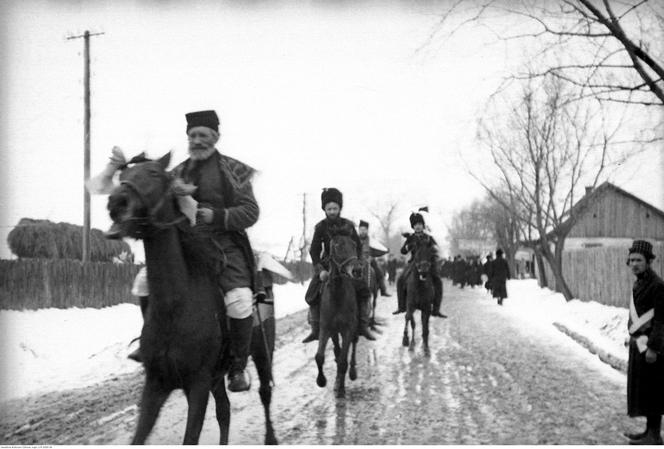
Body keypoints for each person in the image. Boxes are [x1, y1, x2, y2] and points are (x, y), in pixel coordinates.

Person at [105, 110, 260, 393]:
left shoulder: (234, 170)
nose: (197, 140)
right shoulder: (176, 173)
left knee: (239, 299)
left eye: (203, 135)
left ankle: (237, 366)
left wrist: (216, 216)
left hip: (226, 247)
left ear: (215, 138)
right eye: (192, 136)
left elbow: (251, 211)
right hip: (186, 247)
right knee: (143, 282)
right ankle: (152, 340)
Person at [301, 188, 377, 343]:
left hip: (348, 264)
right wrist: (320, 270)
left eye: (335, 208)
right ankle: (316, 328)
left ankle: (363, 325)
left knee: (363, 290)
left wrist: (359, 262)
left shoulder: (348, 225)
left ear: (340, 208)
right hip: (327, 265)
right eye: (329, 209)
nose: (332, 211)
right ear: (324, 210)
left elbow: (358, 246)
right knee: (311, 294)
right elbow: (314, 250)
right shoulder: (320, 227)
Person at [623, 240, 663, 445]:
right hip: (639, 344)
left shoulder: (657, 285)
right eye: (631, 261)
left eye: (638, 260)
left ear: (648, 261)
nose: (634, 264)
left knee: (654, 391)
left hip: (651, 347)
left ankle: (655, 435)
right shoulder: (639, 282)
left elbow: (661, 321)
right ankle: (648, 431)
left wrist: (654, 348)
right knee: (645, 390)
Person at [393, 210, 445, 318]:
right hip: (414, 263)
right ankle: (401, 306)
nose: (418, 227)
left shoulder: (429, 237)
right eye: (415, 225)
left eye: (420, 224)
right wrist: (408, 246)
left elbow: (436, 249)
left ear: (423, 225)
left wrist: (432, 252)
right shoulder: (410, 238)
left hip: (428, 263)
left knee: (438, 281)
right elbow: (403, 251)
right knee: (400, 279)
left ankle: (436, 309)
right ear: (413, 226)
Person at [357, 220, 391, 297]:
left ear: (367, 231)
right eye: (361, 230)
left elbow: (378, 249)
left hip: (369, 260)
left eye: (364, 230)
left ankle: (383, 289)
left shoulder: (371, 241)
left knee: (379, 272)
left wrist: (372, 257)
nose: (363, 232)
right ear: (359, 230)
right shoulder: (355, 240)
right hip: (356, 261)